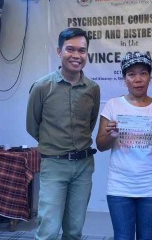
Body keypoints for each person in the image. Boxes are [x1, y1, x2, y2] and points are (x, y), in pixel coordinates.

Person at [26, 27, 100, 240]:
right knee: (48, 231)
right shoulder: (42, 87)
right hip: (54, 165)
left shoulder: (92, 89)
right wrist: (55, 144)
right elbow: (32, 125)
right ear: (59, 51)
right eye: (70, 49)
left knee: (74, 231)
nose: (76, 56)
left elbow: (90, 123)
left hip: (84, 167)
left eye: (82, 50)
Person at [96, 52, 152, 240]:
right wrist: (111, 136)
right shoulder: (113, 106)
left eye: (143, 73)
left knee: (148, 236)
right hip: (120, 185)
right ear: (124, 78)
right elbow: (100, 145)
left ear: (150, 77)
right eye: (131, 74)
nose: (138, 79)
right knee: (122, 237)